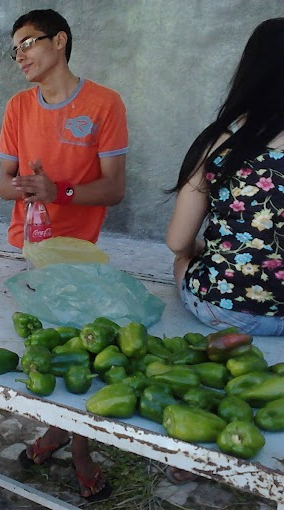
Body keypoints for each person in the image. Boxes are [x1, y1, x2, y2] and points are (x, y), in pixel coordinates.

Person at [0, 9, 128, 502]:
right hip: (30, 250)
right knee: (43, 351)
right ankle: (54, 432)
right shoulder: (17, 106)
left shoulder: (104, 104)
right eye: (16, 49)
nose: (21, 56)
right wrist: (25, 188)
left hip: (80, 254)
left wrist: (60, 192)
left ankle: (80, 450)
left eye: (28, 43)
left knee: (80, 353)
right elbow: (3, 184)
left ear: (61, 40)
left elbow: (114, 189)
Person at [165, 17, 284, 483]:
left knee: (182, 257)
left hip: (227, 312)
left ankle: (196, 439)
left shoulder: (223, 141)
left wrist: (201, 253)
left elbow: (177, 241)